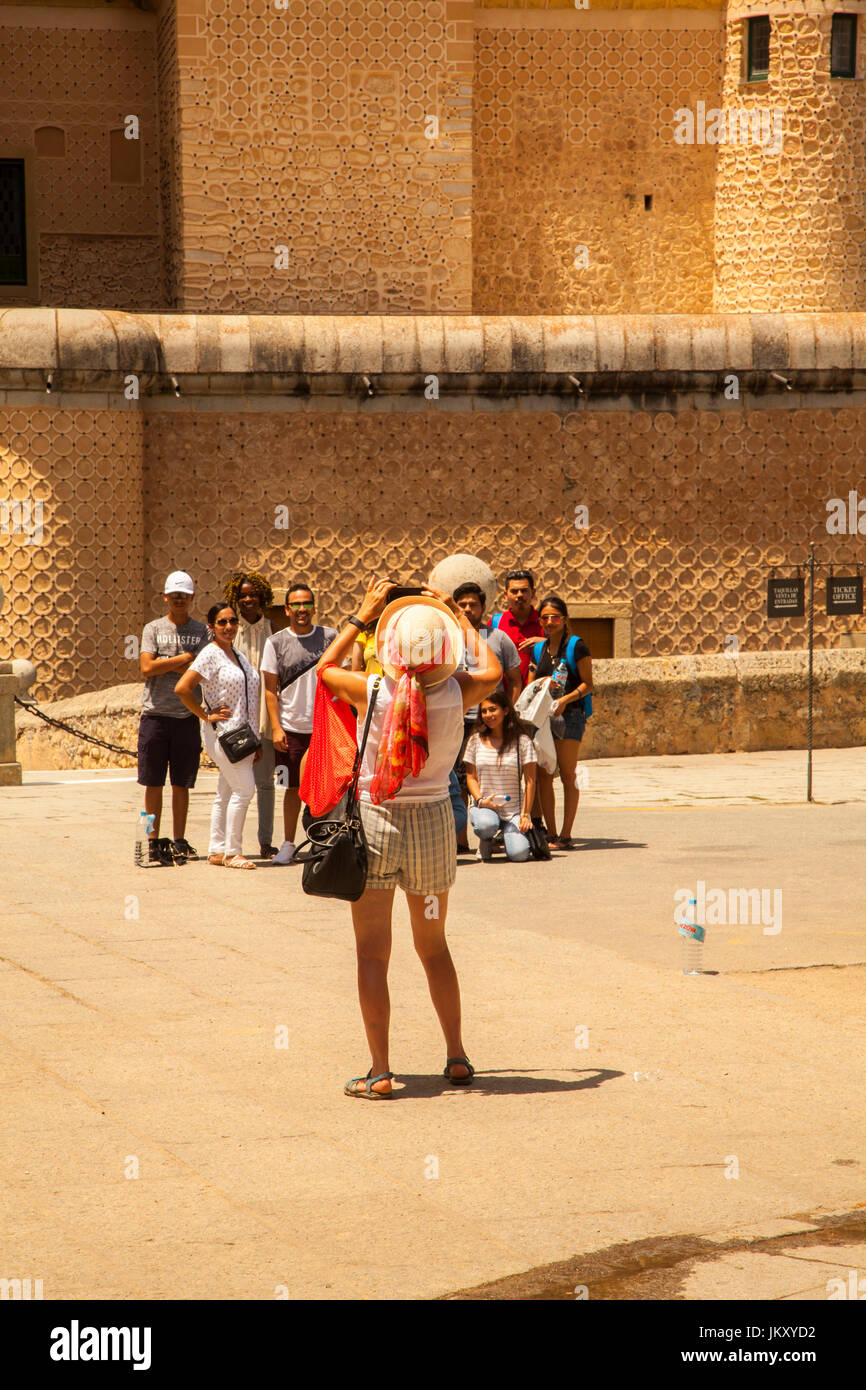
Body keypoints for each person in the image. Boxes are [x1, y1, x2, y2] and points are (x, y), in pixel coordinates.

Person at [315, 577, 502, 1098]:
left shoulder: (371, 690)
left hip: (377, 821)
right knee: (434, 948)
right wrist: (464, 621)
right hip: (436, 825)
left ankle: (379, 1071)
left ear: (390, 644)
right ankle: (457, 1056)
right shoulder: (459, 690)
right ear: (443, 648)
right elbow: (493, 669)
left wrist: (361, 613)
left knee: (373, 954)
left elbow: (323, 672)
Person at [175, 604, 262, 869]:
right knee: (245, 789)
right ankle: (233, 851)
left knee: (226, 791)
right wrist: (205, 714)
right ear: (211, 627)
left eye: (233, 621)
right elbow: (183, 687)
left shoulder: (237, 654)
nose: (228, 627)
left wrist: (255, 741)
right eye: (222, 622)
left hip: (243, 736)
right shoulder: (210, 654)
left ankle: (217, 849)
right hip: (224, 734)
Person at [261, 581, 337, 866]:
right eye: (296, 604)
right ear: (287, 608)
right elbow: (270, 689)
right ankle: (288, 844)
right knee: (291, 789)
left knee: (327, 789)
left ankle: (324, 843)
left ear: (314, 608)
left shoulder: (331, 637)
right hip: (290, 730)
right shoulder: (275, 642)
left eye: (307, 604)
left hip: (324, 728)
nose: (302, 609)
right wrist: (276, 727)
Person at [137, 570, 209, 866]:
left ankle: (178, 840)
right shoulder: (152, 628)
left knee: (182, 784)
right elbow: (146, 668)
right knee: (151, 785)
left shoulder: (202, 630)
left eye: (184, 595)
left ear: (192, 597)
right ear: (165, 597)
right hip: (155, 716)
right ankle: (150, 841)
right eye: (174, 595)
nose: (179, 599)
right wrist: (183, 660)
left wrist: (163, 664)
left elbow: (202, 672)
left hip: (186, 716)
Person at [451, 580, 522, 851]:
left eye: (474, 605)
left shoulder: (499, 638)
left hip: (490, 721)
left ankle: (498, 830)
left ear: (483, 607)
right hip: (457, 719)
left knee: (491, 775)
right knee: (458, 777)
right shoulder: (448, 638)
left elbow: (514, 678)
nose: (468, 609)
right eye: (463, 605)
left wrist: (508, 711)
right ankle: (460, 840)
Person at [528, 594, 594, 850]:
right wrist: (541, 685)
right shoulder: (539, 648)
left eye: (555, 617)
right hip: (545, 718)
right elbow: (532, 683)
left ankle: (566, 834)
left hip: (570, 716)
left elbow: (588, 684)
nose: (549, 621)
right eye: (545, 617)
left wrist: (566, 699)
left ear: (564, 619)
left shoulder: (577, 645)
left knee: (567, 774)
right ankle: (551, 834)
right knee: (545, 775)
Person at [224, 570, 277, 859]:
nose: (248, 599)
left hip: (265, 718)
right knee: (235, 785)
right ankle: (231, 845)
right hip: (236, 721)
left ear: (262, 597)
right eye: (243, 595)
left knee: (265, 783)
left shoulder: (274, 629)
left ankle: (266, 842)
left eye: (253, 594)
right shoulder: (229, 631)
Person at [463, 691, 537, 863]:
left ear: (505, 711)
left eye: (492, 709)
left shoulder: (522, 741)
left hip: (514, 811)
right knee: (486, 825)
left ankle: (508, 835)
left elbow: (531, 781)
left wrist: (525, 814)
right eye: (484, 711)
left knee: (519, 854)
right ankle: (486, 839)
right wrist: (480, 800)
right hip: (485, 807)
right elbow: (471, 777)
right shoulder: (475, 740)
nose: (488, 715)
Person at [488, 569, 544, 690]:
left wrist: (545, 643)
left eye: (524, 591)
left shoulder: (545, 623)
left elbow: (564, 652)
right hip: (503, 700)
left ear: (533, 593)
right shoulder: (494, 623)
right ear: (505, 595)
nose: (519, 595)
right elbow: (479, 655)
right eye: (514, 591)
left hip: (536, 698)